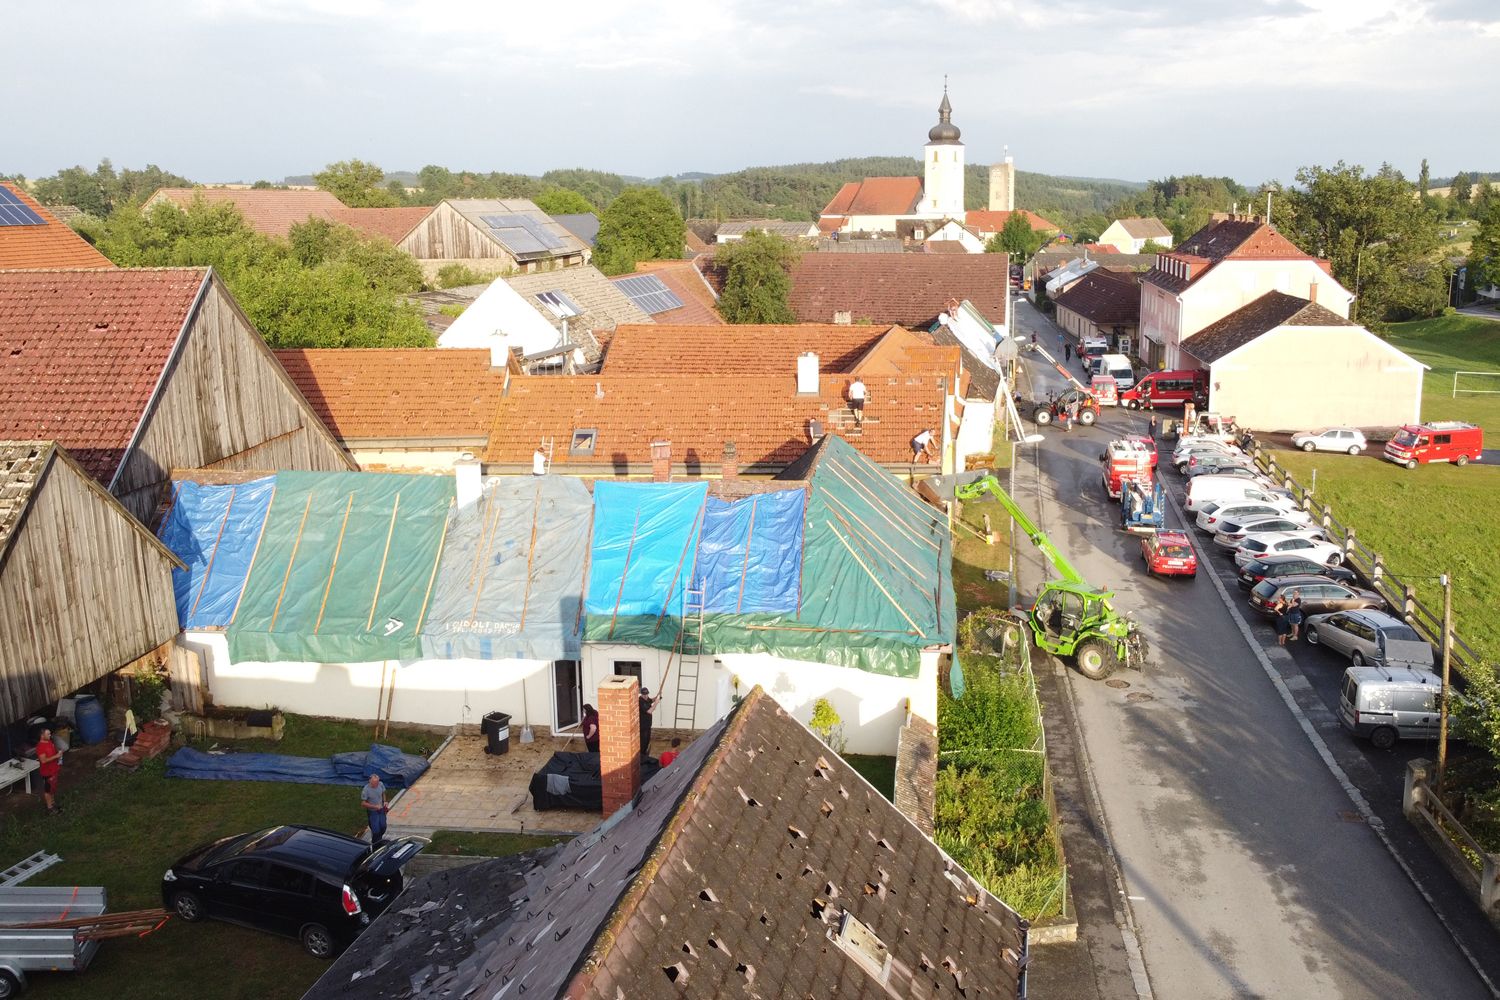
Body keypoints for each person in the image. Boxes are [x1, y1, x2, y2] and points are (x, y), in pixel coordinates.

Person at [36, 728, 62, 815]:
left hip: (54, 769)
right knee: (48, 790)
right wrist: (56, 756)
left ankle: (53, 803)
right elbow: (43, 760)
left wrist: (58, 754)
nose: (50, 735)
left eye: (50, 733)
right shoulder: (40, 747)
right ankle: (50, 808)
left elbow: (53, 753)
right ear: (42, 736)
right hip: (47, 772)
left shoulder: (50, 742)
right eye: (48, 734)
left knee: (52, 788)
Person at [362, 773, 389, 845]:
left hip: (381, 810)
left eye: (377, 782)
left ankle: (378, 840)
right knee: (376, 830)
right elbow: (363, 803)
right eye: (375, 783)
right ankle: (376, 843)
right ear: (370, 781)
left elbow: (383, 793)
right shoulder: (366, 789)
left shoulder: (380, 784)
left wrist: (385, 801)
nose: (377, 784)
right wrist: (375, 807)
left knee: (383, 826)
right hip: (373, 812)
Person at [638, 687, 659, 756]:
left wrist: (657, 696)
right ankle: (642, 755)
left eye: (647, 694)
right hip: (643, 726)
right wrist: (656, 703)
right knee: (643, 742)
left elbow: (651, 700)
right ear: (641, 694)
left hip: (648, 725)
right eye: (644, 694)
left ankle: (645, 754)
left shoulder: (646, 699)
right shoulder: (640, 701)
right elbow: (649, 711)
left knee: (647, 740)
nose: (646, 696)